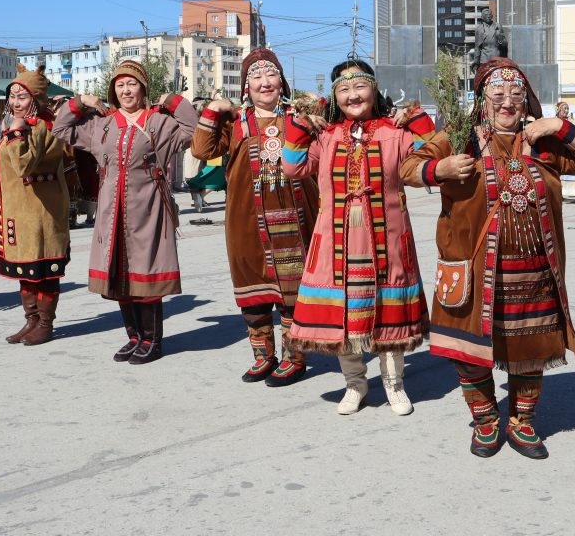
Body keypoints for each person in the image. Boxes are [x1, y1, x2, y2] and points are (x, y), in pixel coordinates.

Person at [402, 58, 575, 458]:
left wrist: (558, 126)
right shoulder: (460, 136)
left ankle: (522, 421)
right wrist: (440, 168)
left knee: (530, 346)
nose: (508, 101)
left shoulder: (541, 142)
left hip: (533, 271)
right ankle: (485, 421)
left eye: (515, 93)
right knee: (469, 347)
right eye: (498, 93)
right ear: (482, 100)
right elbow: (408, 167)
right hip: (474, 267)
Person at [281, 58, 434, 415]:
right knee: (343, 314)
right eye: (343, 89)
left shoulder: (394, 131)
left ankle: (394, 384)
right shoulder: (326, 134)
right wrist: (303, 123)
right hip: (335, 242)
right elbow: (292, 165)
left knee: (389, 312)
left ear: (374, 89)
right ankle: (355, 383)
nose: (353, 95)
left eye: (359, 86)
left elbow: (434, 154)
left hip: (388, 240)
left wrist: (416, 119)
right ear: (335, 96)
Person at [52, 60, 198, 364]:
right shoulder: (101, 124)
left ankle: (152, 340)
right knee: (119, 276)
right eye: (120, 85)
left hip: (149, 208)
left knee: (146, 274)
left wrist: (172, 100)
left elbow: (193, 128)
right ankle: (134, 337)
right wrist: (81, 102)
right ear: (113, 91)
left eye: (132, 84)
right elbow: (61, 129)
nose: (126, 90)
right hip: (110, 210)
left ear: (143, 88)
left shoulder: (159, 122)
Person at [192, 50, 319, 387]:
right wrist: (213, 109)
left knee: (293, 292)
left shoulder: (301, 118)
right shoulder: (235, 124)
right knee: (254, 292)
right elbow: (202, 150)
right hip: (245, 220)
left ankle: (295, 358)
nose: (265, 82)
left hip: (296, 219)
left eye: (271, 74)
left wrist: (313, 106)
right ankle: (264, 356)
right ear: (246, 85)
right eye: (256, 76)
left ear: (282, 81)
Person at [0, 67, 71, 346]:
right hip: (19, 211)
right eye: (12, 96)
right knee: (26, 271)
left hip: (41, 212)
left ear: (36, 99)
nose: (15, 103)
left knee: (43, 272)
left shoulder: (44, 127)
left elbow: (23, 165)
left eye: (22, 97)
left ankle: (46, 323)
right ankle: (31, 320)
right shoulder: (24, 123)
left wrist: (15, 134)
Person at [468, 7, 507, 74]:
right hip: (484, 59)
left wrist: (500, 39)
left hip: (497, 57)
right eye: (486, 15)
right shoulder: (479, 29)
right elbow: (477, 47)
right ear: (482, 17)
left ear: (492, 16)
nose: (488, 16)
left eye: (489, 15)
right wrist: (476, 62)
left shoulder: (498, 26)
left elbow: (505, 45)